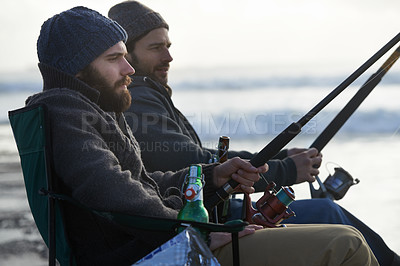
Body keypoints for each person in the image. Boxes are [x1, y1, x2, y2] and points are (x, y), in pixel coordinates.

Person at [28, 6, 379, 266]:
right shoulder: (68, 114)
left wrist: (211, 177)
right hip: (156, 254)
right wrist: (198, 233)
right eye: (114, 58)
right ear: (77, 68)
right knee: (345, 244)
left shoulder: (93, 108)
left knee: (338, 232)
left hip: (158, 242)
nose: (128, 69)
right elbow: (112, 193)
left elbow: (143, 183)